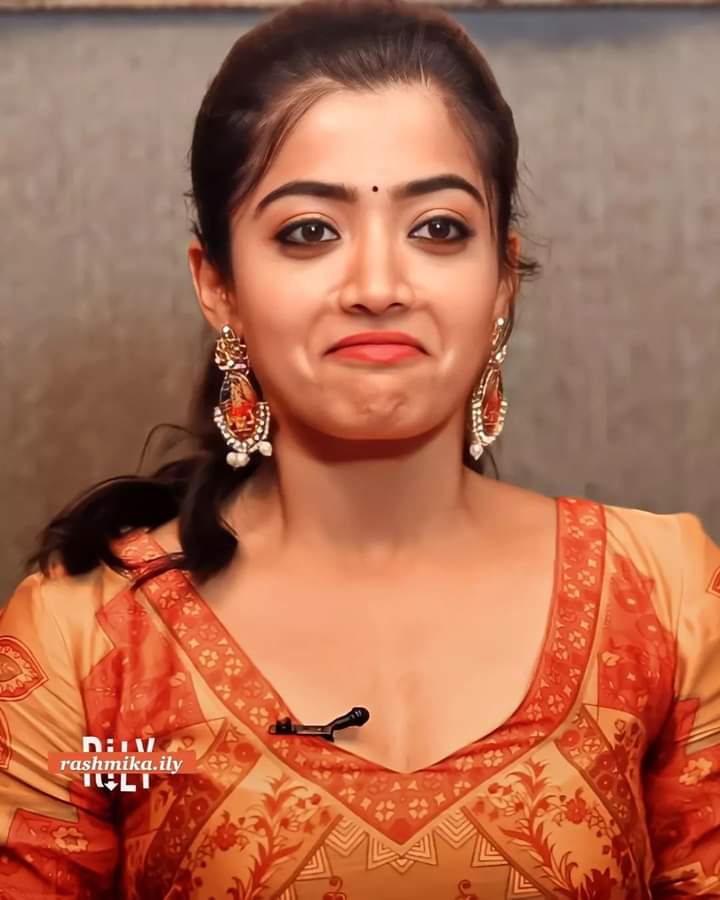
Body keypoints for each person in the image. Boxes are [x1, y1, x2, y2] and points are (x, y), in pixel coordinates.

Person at [1, 0, 719, 896]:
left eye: (438, 229)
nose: (378, 286)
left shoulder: (669, 599)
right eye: (309, 232)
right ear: (217, 285)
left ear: (503, 277)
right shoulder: (84, 639)